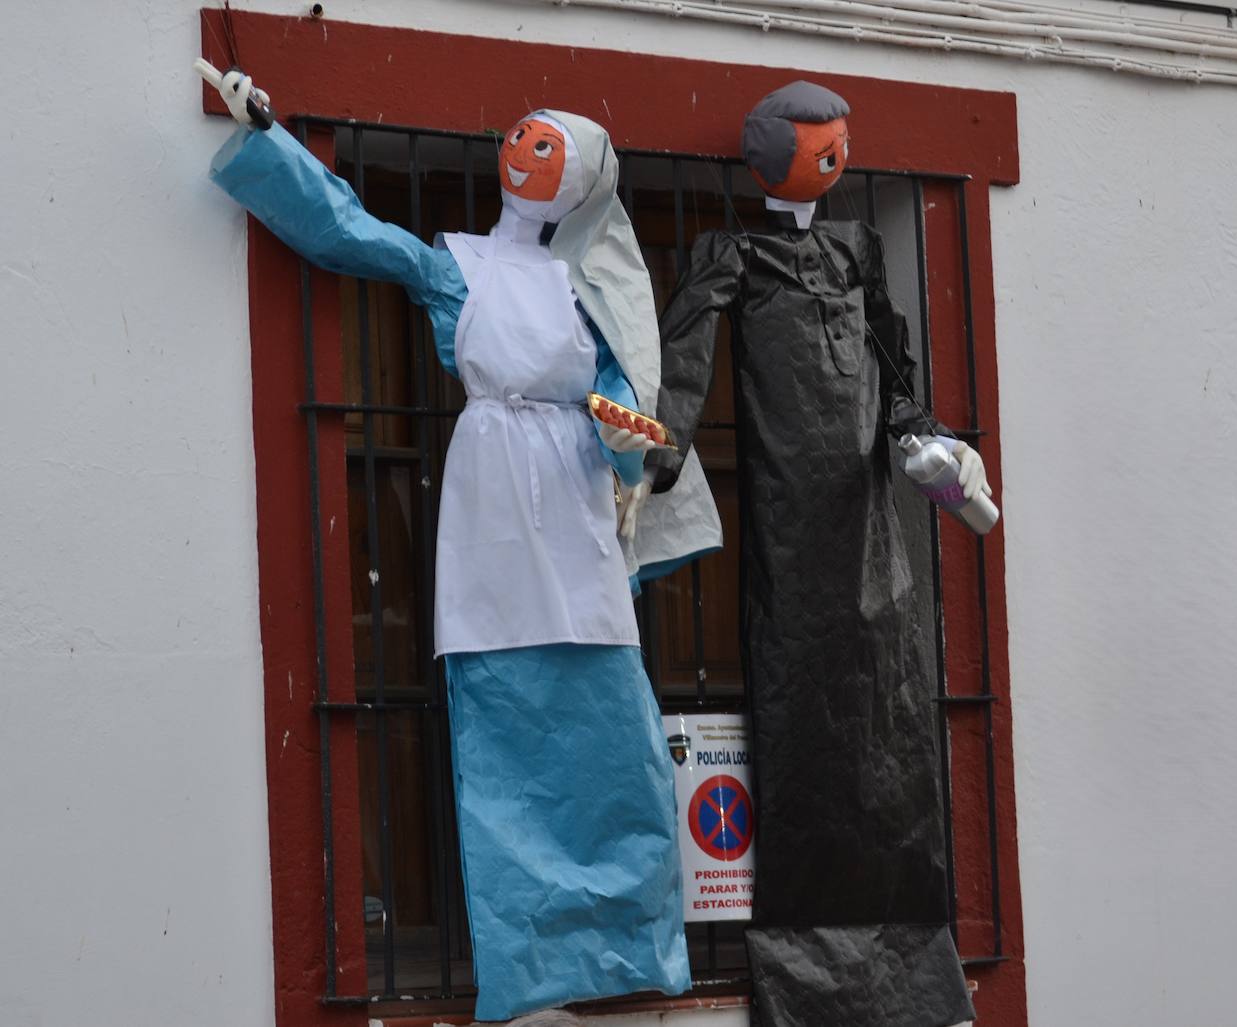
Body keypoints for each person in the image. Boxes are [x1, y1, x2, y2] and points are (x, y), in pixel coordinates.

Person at [202, 66, 706, 1023]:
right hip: (492, 506)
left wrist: (624, 431)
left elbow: (610, 394)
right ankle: (533, 977)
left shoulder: (582, 286)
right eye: (523, 136)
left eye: (549, 143)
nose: (525, 150)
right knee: (505, 739)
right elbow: (354, 234)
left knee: (614, 736)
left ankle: (627, 957)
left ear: (582, 179)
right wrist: (268, 135)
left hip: (571, 505)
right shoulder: (458, 263)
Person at [645, 81, 988, 1026]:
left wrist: (921, 436)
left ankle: (910, 959)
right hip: (790, 502)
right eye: (820, 145)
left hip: (867, 508)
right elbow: (686, 353)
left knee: (889, 695)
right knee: (804, 691)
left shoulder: (856, 248)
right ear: (777, 153)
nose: (837, 157)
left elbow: (891, 351)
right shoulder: (735, 253)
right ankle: (809, 968)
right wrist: (661, 447)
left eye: (841, 143)